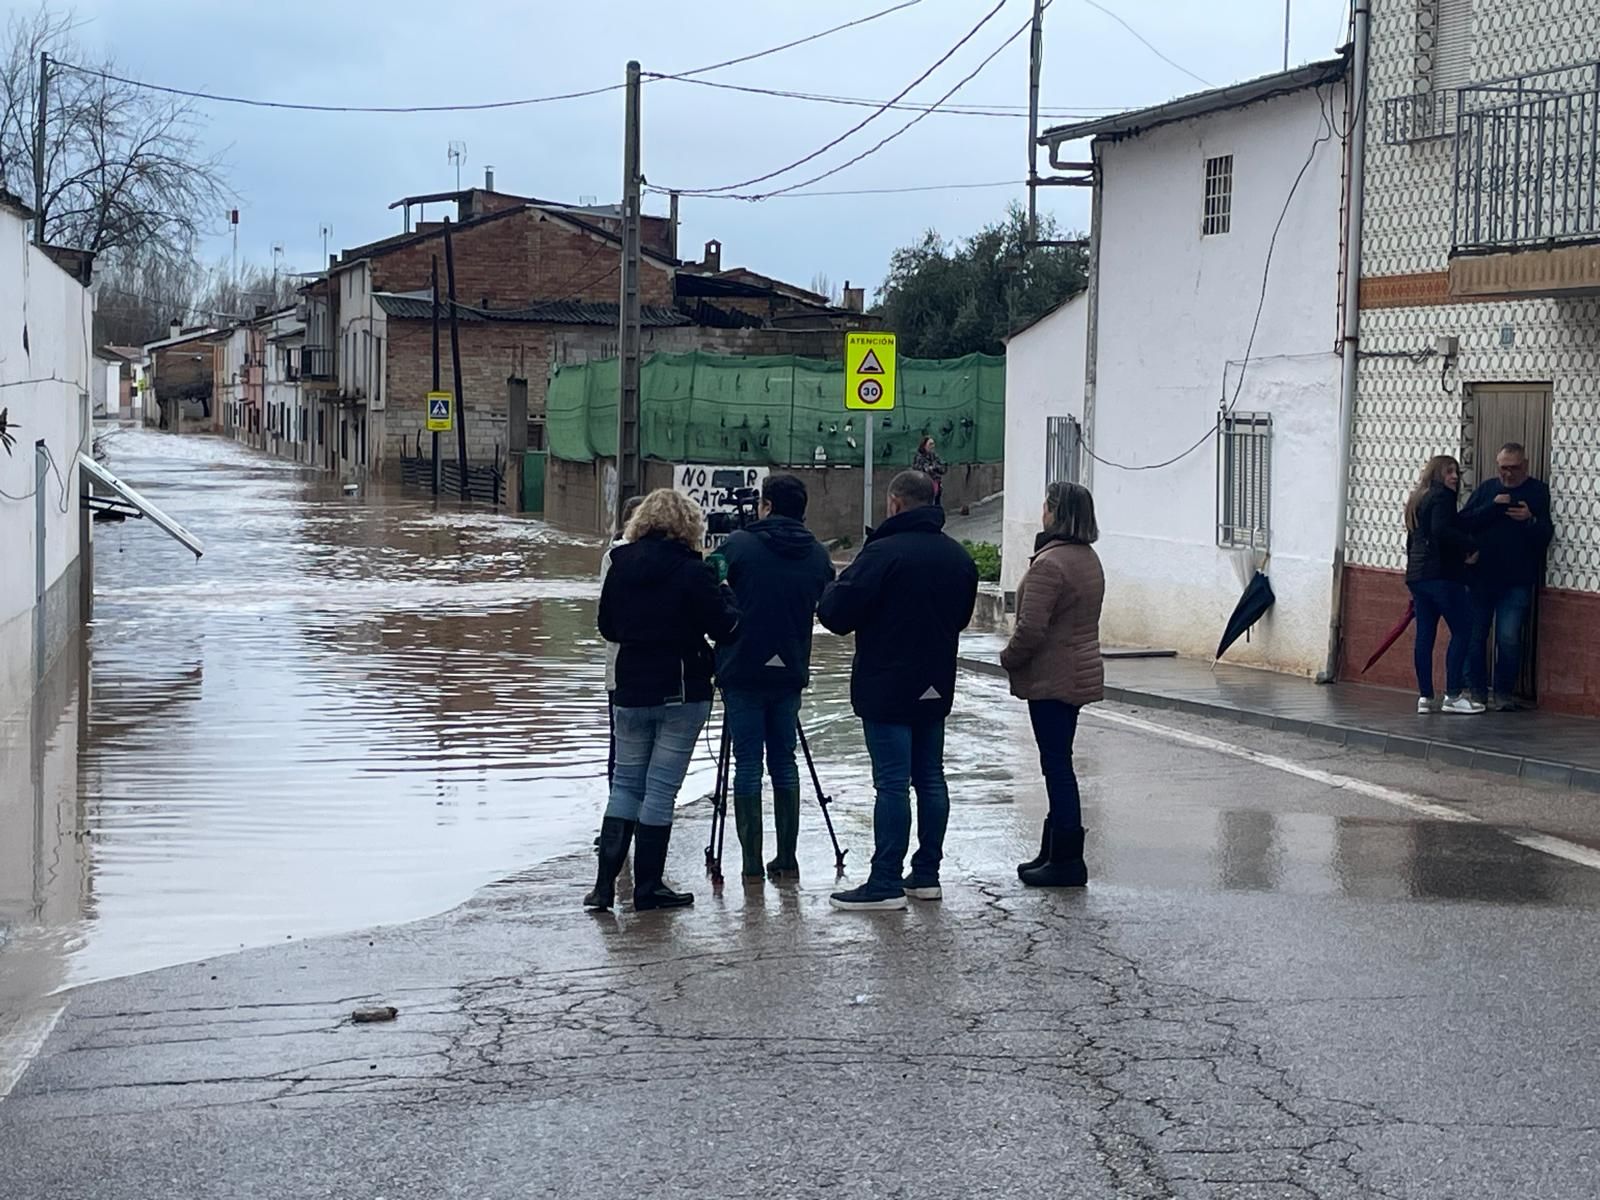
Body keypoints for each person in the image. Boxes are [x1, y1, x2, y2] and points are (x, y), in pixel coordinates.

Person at [818, 470, 979, 911]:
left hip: (885, 683)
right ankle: (927, 874)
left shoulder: (881, 554)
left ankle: (885, 879)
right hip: (935, 681)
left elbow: (835, 615)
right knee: (930, 778)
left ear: (894, 504)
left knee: (891, 783)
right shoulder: (958, 558)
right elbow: (961, 619)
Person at [584, 489, 739, 912]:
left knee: (626, 784)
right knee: (660, 790)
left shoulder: (619, 563)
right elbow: (725, 627)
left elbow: (608, 627)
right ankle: (648, 886)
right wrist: (724, 587)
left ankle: (602, 889)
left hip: (630, 687)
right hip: (681, 688)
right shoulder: (693, 571)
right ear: (688, 525)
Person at [714, 474, 836, 884]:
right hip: (790, 669)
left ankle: (750, 863)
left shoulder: (739, 546)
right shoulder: (818, 555)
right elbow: (829, 597)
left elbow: (707, 583)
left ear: (766, 506)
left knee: (747, 763)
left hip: (742, 670)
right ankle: (787, 858)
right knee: (784, 761)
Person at [1000, 481, 1104, 888]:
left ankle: (1065, 861)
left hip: (1053, 676)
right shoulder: (1087, 558)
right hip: (1078, 670)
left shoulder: (1050, 563)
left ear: (1055, 512)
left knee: (1057, 766)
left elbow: (1031, 628)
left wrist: (1008, 658)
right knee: (1059, 761)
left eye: (1045, 505)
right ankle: (1053, 852)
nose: (1040, 510)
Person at [1460, 443, 1554, 711]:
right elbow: (1464, 522)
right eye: (1503, 468)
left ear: (1525, 465)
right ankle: (1476, 691)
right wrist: (1491, 507)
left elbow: (1546, 535)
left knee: (1509, 638)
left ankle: (1504, 693)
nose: (1508, 474)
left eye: (1514, 468)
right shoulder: (1487, 489)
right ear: (1497, 465)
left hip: (1516, 579)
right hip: (1480, 578)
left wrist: (1530, 519)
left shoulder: (1537, 492)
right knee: (1475, 636)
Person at [1404, 455, 1483, 716]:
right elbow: (1441, 531)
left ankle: (1425, 697)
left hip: (1418, 577)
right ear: (1436, 473)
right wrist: (1469, 547)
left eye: (1457, 472)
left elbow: (1413, 540)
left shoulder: (1418, 499)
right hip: (1441, 576)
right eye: (1449, 471)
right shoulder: (1442, 497)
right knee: (1463, 630)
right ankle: (1453, 694)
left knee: (1425, 635)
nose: (1454, 477)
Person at [601, 495, 646, 785]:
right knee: (621, 745)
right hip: (623, 669)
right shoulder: (616, 556)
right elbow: (608, 619)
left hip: (635, 669)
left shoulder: (614, 558)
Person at [913, 436, 947, 507]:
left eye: (933, 444)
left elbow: (943, 468)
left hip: (936, 484)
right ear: (924, 445)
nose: (932, 446)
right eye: (930, 444)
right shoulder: (919, 457)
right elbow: (919, 469)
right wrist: (930, 469)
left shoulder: (934, 456)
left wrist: (934, 467)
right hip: (924, 486)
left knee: (936, 504)